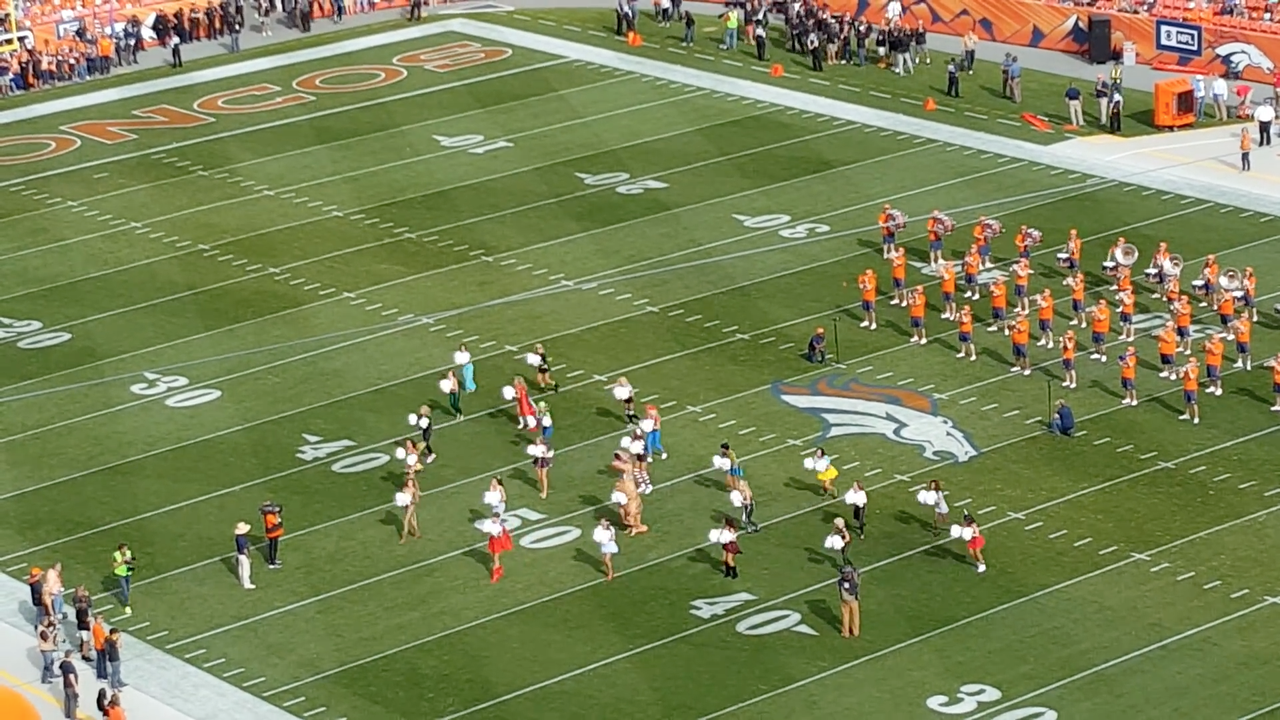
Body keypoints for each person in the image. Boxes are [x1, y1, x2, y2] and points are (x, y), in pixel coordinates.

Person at [837, 565, 860, 638]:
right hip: (853, 599)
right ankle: (855, 631)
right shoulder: (853, 580)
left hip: (845, 600)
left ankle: (845, 632)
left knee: (845, 616)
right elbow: (856, 577)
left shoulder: (840, 581)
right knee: (855, 616)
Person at [111, 544, 134, 615]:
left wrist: (130, 560)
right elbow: (114, 565)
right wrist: (122, 562)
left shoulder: (129, 552)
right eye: (125, 549)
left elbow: (133, 560)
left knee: (128, 588)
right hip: (120, 574)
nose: (126, 550)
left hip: (128, 573)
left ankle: (126, 597)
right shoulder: (115, 555)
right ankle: (127, 604)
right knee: (125, 590)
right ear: (121, 549)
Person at [73, 587, 93, 661]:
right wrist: (89, 619)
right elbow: (86, 606)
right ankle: (85, 654)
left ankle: (84, 651)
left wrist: (87, 597)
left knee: (85, 639)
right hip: (83, 624)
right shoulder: (80, 606)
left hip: (84, 624)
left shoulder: (83, 606)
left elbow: (89, 604)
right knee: (86, 640)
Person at [262, 502, 284, 569]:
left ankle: (274, 559)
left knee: (274, 547)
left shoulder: (270, 515)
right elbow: (276, 522)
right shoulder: (269, 516)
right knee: (272, 548)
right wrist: (277, 514)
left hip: (274, 533)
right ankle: (272, 562)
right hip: (272, 534)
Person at [38, 615, 59, 684]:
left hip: (49, 648)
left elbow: (51, 626)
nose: (48, 622)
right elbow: (47, 639)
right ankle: (45, 679)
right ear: (43, 622)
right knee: (47, 665)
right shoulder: (42, 631)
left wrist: (54, 623)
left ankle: (52, 674)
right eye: (47, 621)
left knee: (51, 661)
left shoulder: (44, 627)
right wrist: (53, 633)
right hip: (45, 649)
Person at [234, 521, 255, 589]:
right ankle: (247, 584)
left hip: (239, 554)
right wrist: (248, 557)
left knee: (241, 568)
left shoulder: (238, 537)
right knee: (246, 570)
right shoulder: (242, 539)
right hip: (243, 555)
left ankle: (242, 581)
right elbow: (245, 549)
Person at [60, 650, 79, 719]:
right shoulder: (69, 665)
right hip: (70, 685)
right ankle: (73, 717)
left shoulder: (63, 663)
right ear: (70, 656)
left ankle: (67, 714)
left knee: (67, 699)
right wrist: (75, 686)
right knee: (72, 701)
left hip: (65, 684)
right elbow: (71, 676)